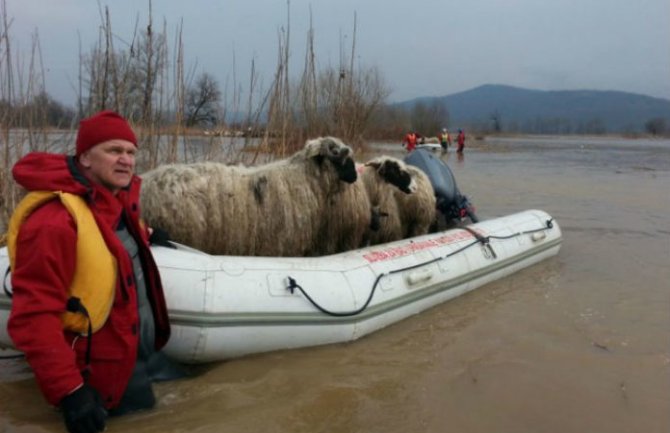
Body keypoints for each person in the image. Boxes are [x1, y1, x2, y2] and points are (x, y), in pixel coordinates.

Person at [6, 110, 172, 433]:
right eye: (113, 150)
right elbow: (33, 318)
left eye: (131, 152)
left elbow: (108, 241)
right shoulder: (54, 222)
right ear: (84, 157)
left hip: (144, 359)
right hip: (102, 382)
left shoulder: (116, 201)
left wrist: (148, 236)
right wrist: (70, 392)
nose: (126, 160)